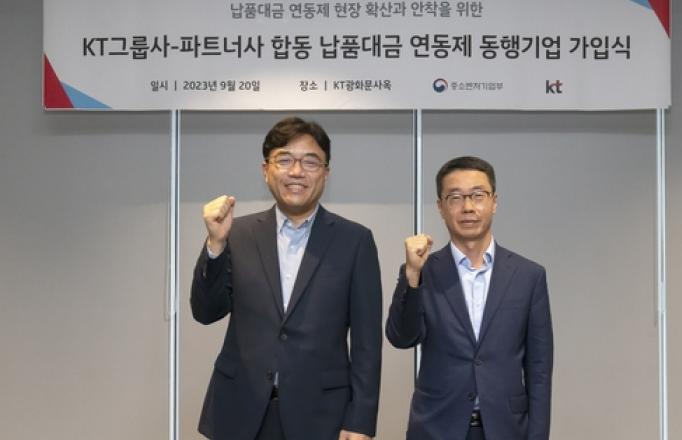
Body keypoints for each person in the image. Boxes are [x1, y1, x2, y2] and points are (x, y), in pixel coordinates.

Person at [190, 117, 383, 440]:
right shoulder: (236, 233)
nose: (297, 172)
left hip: (322, 416)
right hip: (239, 412)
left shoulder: (355, 241)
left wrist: (360, 420)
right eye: (284, 160)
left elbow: (367, 343)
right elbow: (205, 312)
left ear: (326, 173)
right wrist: (215, 245)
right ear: (266, 170)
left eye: (310, 162)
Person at [386, 156, 553, 440]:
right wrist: (412, 275)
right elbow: (401, 337)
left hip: (507, 429)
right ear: (441, 207)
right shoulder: (424, 271)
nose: (468, 207)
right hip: (436, 429)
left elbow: (539, 369)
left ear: (494, 202)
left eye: (478, 195)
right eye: (455, 197)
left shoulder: (528, 276)